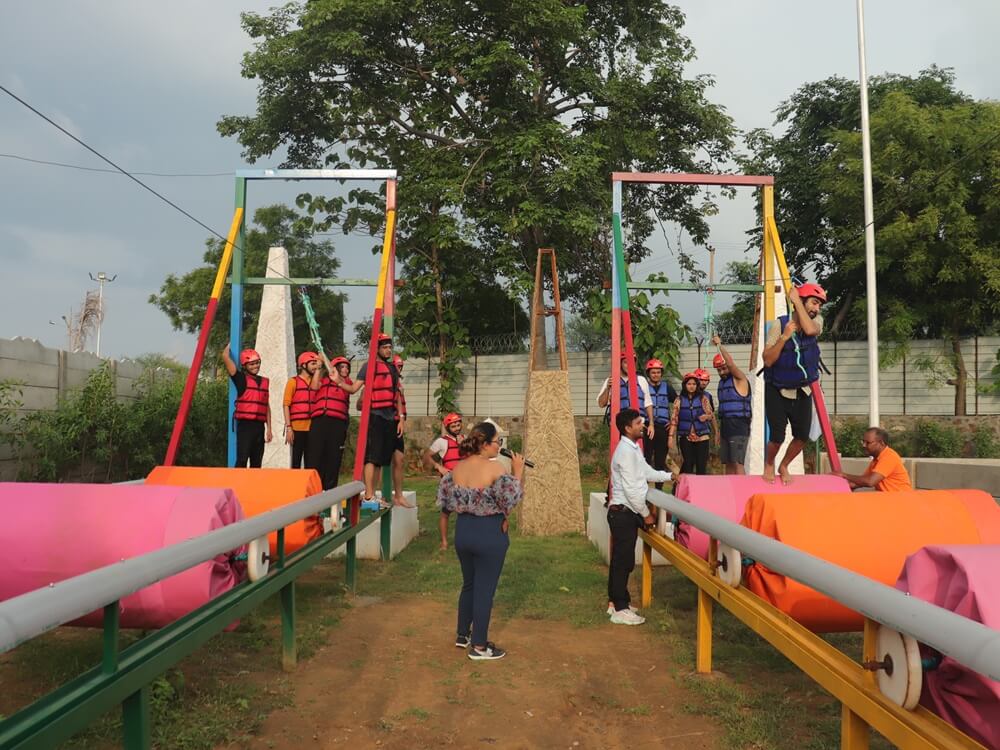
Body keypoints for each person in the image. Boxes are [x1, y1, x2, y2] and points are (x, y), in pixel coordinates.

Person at [437, 421, 524, 660]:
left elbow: (444, 501)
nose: (499, 447)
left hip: (463, 531)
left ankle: (462, 634)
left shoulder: (457, 468)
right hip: (488, 533)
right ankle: (479, 646)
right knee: (485, 590)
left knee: (470, 584)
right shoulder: (496, 469)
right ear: (485, 444)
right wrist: (518, 471)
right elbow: (511, 499)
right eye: (497, 442)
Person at [607, 408, 671, 625]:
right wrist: (646, 515)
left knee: (622, 561)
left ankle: (618, 602)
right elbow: (632, 489)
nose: (642, 426)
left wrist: (670, 476)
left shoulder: (633, 448)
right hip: (623, 513)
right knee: (622, 562)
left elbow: (646, 472)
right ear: (627, 428)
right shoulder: (625, 452)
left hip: (626, 513)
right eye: (638, 423)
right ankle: (620, 608)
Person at [761, 283, 826, 484]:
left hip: (802, 389)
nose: (817, 309)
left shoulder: (818, 322)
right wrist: (784, 337)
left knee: (802, 436)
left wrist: (797, 300)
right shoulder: (779, 325)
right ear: (803, 301)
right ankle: (770, 462)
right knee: (777, 437)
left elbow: (808, 329)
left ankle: (784, 465)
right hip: (777, 389)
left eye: (819, 305)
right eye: (814, 303)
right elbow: (768, 359)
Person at [333, 334, 407, 507]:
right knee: (372, 458)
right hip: (375, 416)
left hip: (390, 418)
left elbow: (396, 395)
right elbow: (353, 389)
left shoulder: (392, 368)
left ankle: (373, 494)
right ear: (377, 349)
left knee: (381, 459)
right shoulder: (368, 367)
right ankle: (368, 495)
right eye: (384, 347)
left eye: (390, 347)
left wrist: (401, 419)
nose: (388, 350)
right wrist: (338, 381)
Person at [221, 344, 272, 468]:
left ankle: (253, 487)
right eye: (252, 364)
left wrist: (269, 428)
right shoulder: (241, 379)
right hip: (245, 426)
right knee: (242, 459)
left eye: (257, 363)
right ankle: (237, 485)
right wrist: (229, 346)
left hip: (259, 427)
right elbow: (225, 357)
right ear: (245, 366)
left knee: (257, 462)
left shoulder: (264, 381)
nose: (255, 366)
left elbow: (266, 406)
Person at [306, 356, 352, 490]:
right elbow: (314, 386)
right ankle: (313, 489)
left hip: (337, 423)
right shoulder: (323, 381)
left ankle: (330, 489)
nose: (346, 369)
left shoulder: (346, 383)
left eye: (347, 367)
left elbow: (349, 388)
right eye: (342, 367)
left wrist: (337, 378)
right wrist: (319, 367)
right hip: (320, 421)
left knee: (333, 457)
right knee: (315, 455)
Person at [711, 335, 752, 475]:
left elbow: (730, 363)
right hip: (726, 425)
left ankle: (742, 492)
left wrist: (719, 345)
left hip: (739, 425)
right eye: (719, 370)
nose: (722, 372)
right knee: (727, 462)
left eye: (723, 368)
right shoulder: (722, 383)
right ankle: (729, 492)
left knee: (737, 462)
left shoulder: (739, 378)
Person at [425, 412, 464, 550]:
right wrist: (438, 467)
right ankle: (444, 542)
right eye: (453, 426)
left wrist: (462, 445)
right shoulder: (441, 442)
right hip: (449, 481)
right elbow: (427, 456)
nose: (457, 427)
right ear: (448, 427)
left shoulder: (464, 440)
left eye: (458, 424)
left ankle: (463, 542)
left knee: (465, 513)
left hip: (465, 480)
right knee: (446, 512)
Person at [835, 427, 913, 492]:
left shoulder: (889, 457)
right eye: (863, 442)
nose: (864, 445)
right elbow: (859, 482)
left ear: (881, 443)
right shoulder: (876, 460)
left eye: (868, 442)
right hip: (889, 502)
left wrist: (844, 475)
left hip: (901, 502)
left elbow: (870, 481)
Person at [669, 373, 714, 476]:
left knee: (701, 466)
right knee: (688, 465)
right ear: (685, 385)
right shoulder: (679, 400)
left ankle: (701, 490)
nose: (691, 386)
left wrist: (705, 417)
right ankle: (685, 489)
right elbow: (674, 419)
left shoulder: (703, 398)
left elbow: (711, 415)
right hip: (686, 436)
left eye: (694, 384)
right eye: (689, 383)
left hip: (702, 436)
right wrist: (670, 436)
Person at [597, 355, 654, 432]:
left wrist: (651, 424)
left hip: (639, 426)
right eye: (626, 362)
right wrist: (608, 388)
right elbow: (601, 404)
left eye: (632, 363)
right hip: (619, 427)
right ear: (620, 364)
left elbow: (648, 403)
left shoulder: (641, 380)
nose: (629, 366)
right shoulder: (610, 380)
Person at [643, 358, 676, 490]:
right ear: (649, 374)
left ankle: (659, 490)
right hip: (647, 427)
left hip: (663, 427)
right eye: (653, 372)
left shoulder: (667, 387)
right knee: (645, 458)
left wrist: (672, 421)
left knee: (660, 461)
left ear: (661, 373)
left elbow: (678, 403)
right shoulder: (644, 386)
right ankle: (643, 488)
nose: (656, 374)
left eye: (658, 372)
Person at [284, 351, 320, 468]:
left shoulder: (316, 382)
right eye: (313, 364)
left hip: (313, 427)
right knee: (296, 460)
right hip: (297, 427)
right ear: (304, 365)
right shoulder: (293, 382)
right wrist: (289, 428)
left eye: (316, 364)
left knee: (311, 461)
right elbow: (286, 405)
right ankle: (294, 485)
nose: (315, 366)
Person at [390, 354, 410, 506]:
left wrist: (402, 419)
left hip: (397, 424)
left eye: (401, 366)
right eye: (397, 365)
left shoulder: (399, 386)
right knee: (376, 461)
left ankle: (398, 495)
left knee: (399, 459)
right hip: (384, 423)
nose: (399, 368)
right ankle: (369, 495)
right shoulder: (385, 383)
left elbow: (400, 408)